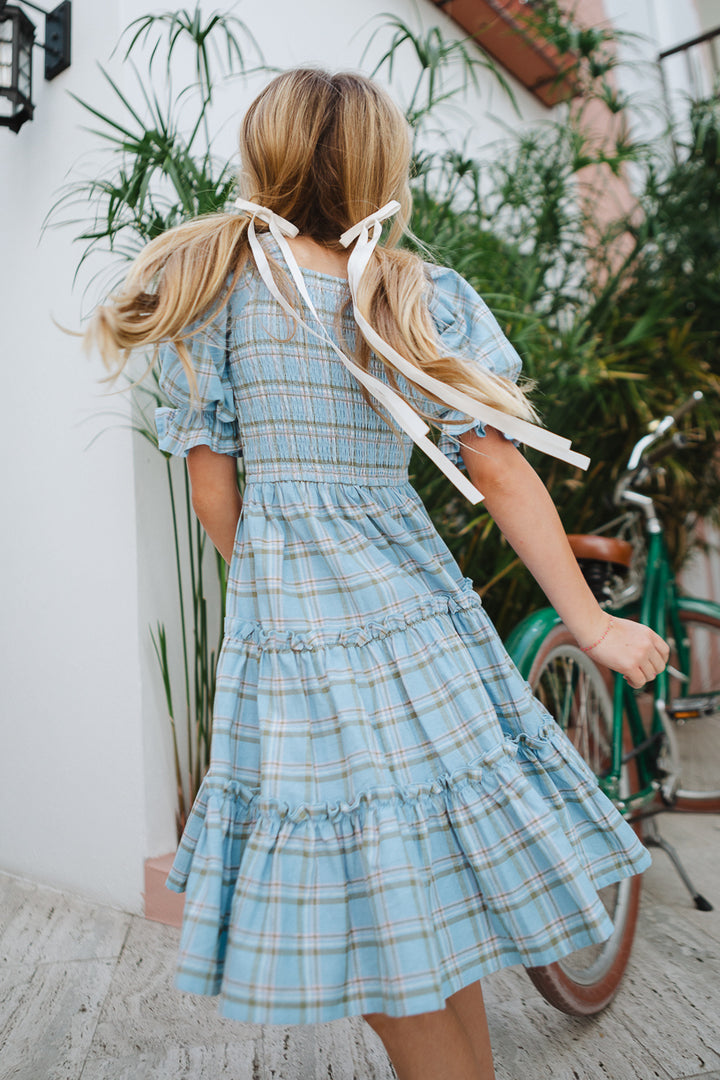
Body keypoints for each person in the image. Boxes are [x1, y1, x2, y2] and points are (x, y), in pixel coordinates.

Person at [85, 68, 669, 1080]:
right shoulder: (412, 291)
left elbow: (213, 496)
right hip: (425, 623)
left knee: (385, 926)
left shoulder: (215, 287)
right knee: (426, 913)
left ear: (262, 151)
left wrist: (276, 581)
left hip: (305, 646)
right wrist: (592, 622)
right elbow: (500, 469)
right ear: (379, 163)